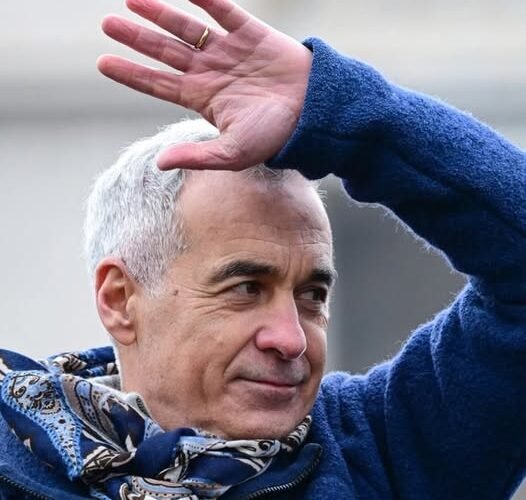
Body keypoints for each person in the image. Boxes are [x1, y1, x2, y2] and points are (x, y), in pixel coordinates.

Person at [0, 0, 525, 498]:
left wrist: (343, 116)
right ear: (119, 299)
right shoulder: (15, 463)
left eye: (312, 296)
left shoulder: (383, 451)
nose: (290, 339)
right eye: (247, 288)